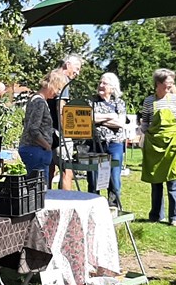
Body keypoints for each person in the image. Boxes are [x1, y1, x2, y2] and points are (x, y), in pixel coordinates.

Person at [140, 68, 176, 226]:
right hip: (155, 146)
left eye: (172, 82)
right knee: (156, 182)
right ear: (158, 83)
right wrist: (144, 135)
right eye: (168, 82)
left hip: (173, 145)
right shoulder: (149, 101)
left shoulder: (175, 100)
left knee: (174, 180)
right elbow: (145, 122)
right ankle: (156, 215)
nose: (171, 85)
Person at [19, 69, 69, 189]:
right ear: (51, 84)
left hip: (34, 149)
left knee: (37, 188)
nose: (57, 93)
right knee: (39, 189)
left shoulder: (37, 100)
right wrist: (47, 146)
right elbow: (33, 129)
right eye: (57, 88)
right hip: (36, 149)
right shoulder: (39, 102)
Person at [87, 72, 127, 207]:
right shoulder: (91, 101)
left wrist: (100, 119)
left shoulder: (119, 102)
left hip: (115, 144)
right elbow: (90, 118)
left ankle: (113, 207)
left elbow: (120, 122)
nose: (101, 85)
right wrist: (111, 116)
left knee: (114, 178)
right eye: (100, 82)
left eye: (104, 83)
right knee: (94, 178)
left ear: (112, 87)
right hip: (95, 144)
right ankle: (93, 206)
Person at [48, 53, 83, 189]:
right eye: (77, 68)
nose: (77, 73)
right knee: (66, 171)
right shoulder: (63, 80)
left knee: (49, 169)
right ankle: (65, 199)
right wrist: (66, 131)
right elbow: (61, 108)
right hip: (58, 132)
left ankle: (45, 198)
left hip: (46, 131)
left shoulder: (51, 76)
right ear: (68, 65)